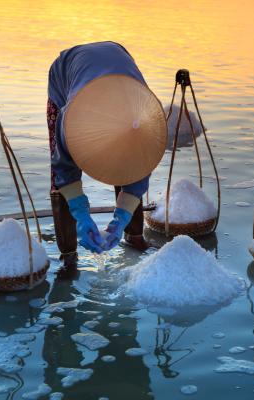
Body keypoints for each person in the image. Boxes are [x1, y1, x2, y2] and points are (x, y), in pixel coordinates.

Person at [46, 41, 166, 272]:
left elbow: (139, 172)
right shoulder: (71, 119)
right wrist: (81, 215)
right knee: (60, 175)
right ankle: (68, 255)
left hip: (119, 67)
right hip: (66, 75)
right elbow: (62, 167)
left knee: (132, 160)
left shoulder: (148, 127)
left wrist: (120, 219)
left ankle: (133, 236)